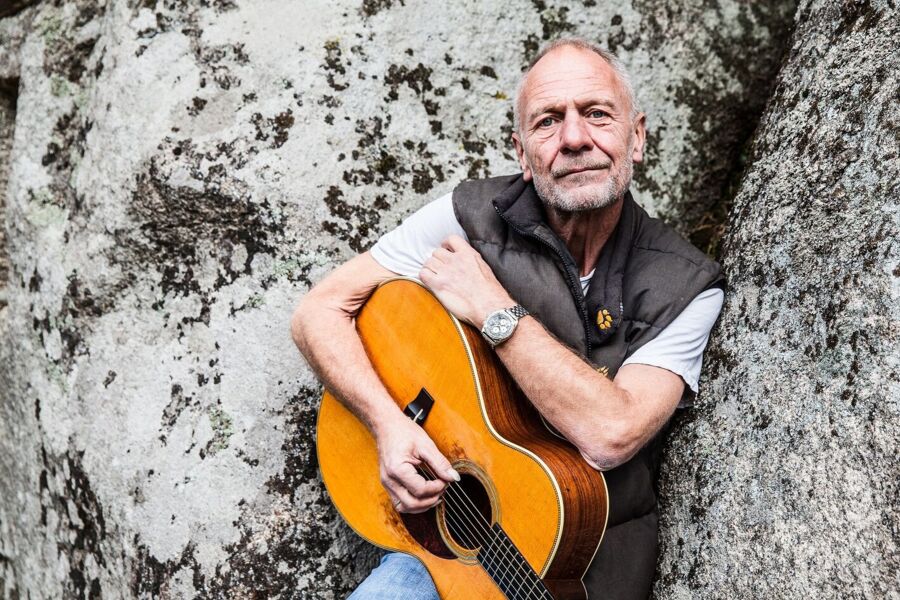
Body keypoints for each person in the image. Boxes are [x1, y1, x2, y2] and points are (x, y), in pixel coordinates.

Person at [292, 37, 725, 600]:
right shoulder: (469, 217)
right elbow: (318, 312)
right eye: (548, 121)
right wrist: (388, 424)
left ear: (636, 137)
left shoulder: (686, 285)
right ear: (521, 153)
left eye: (596, 114)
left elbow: (611, 435)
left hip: (579, 574)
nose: (574, 139)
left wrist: (494, 308)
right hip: (446, 557)